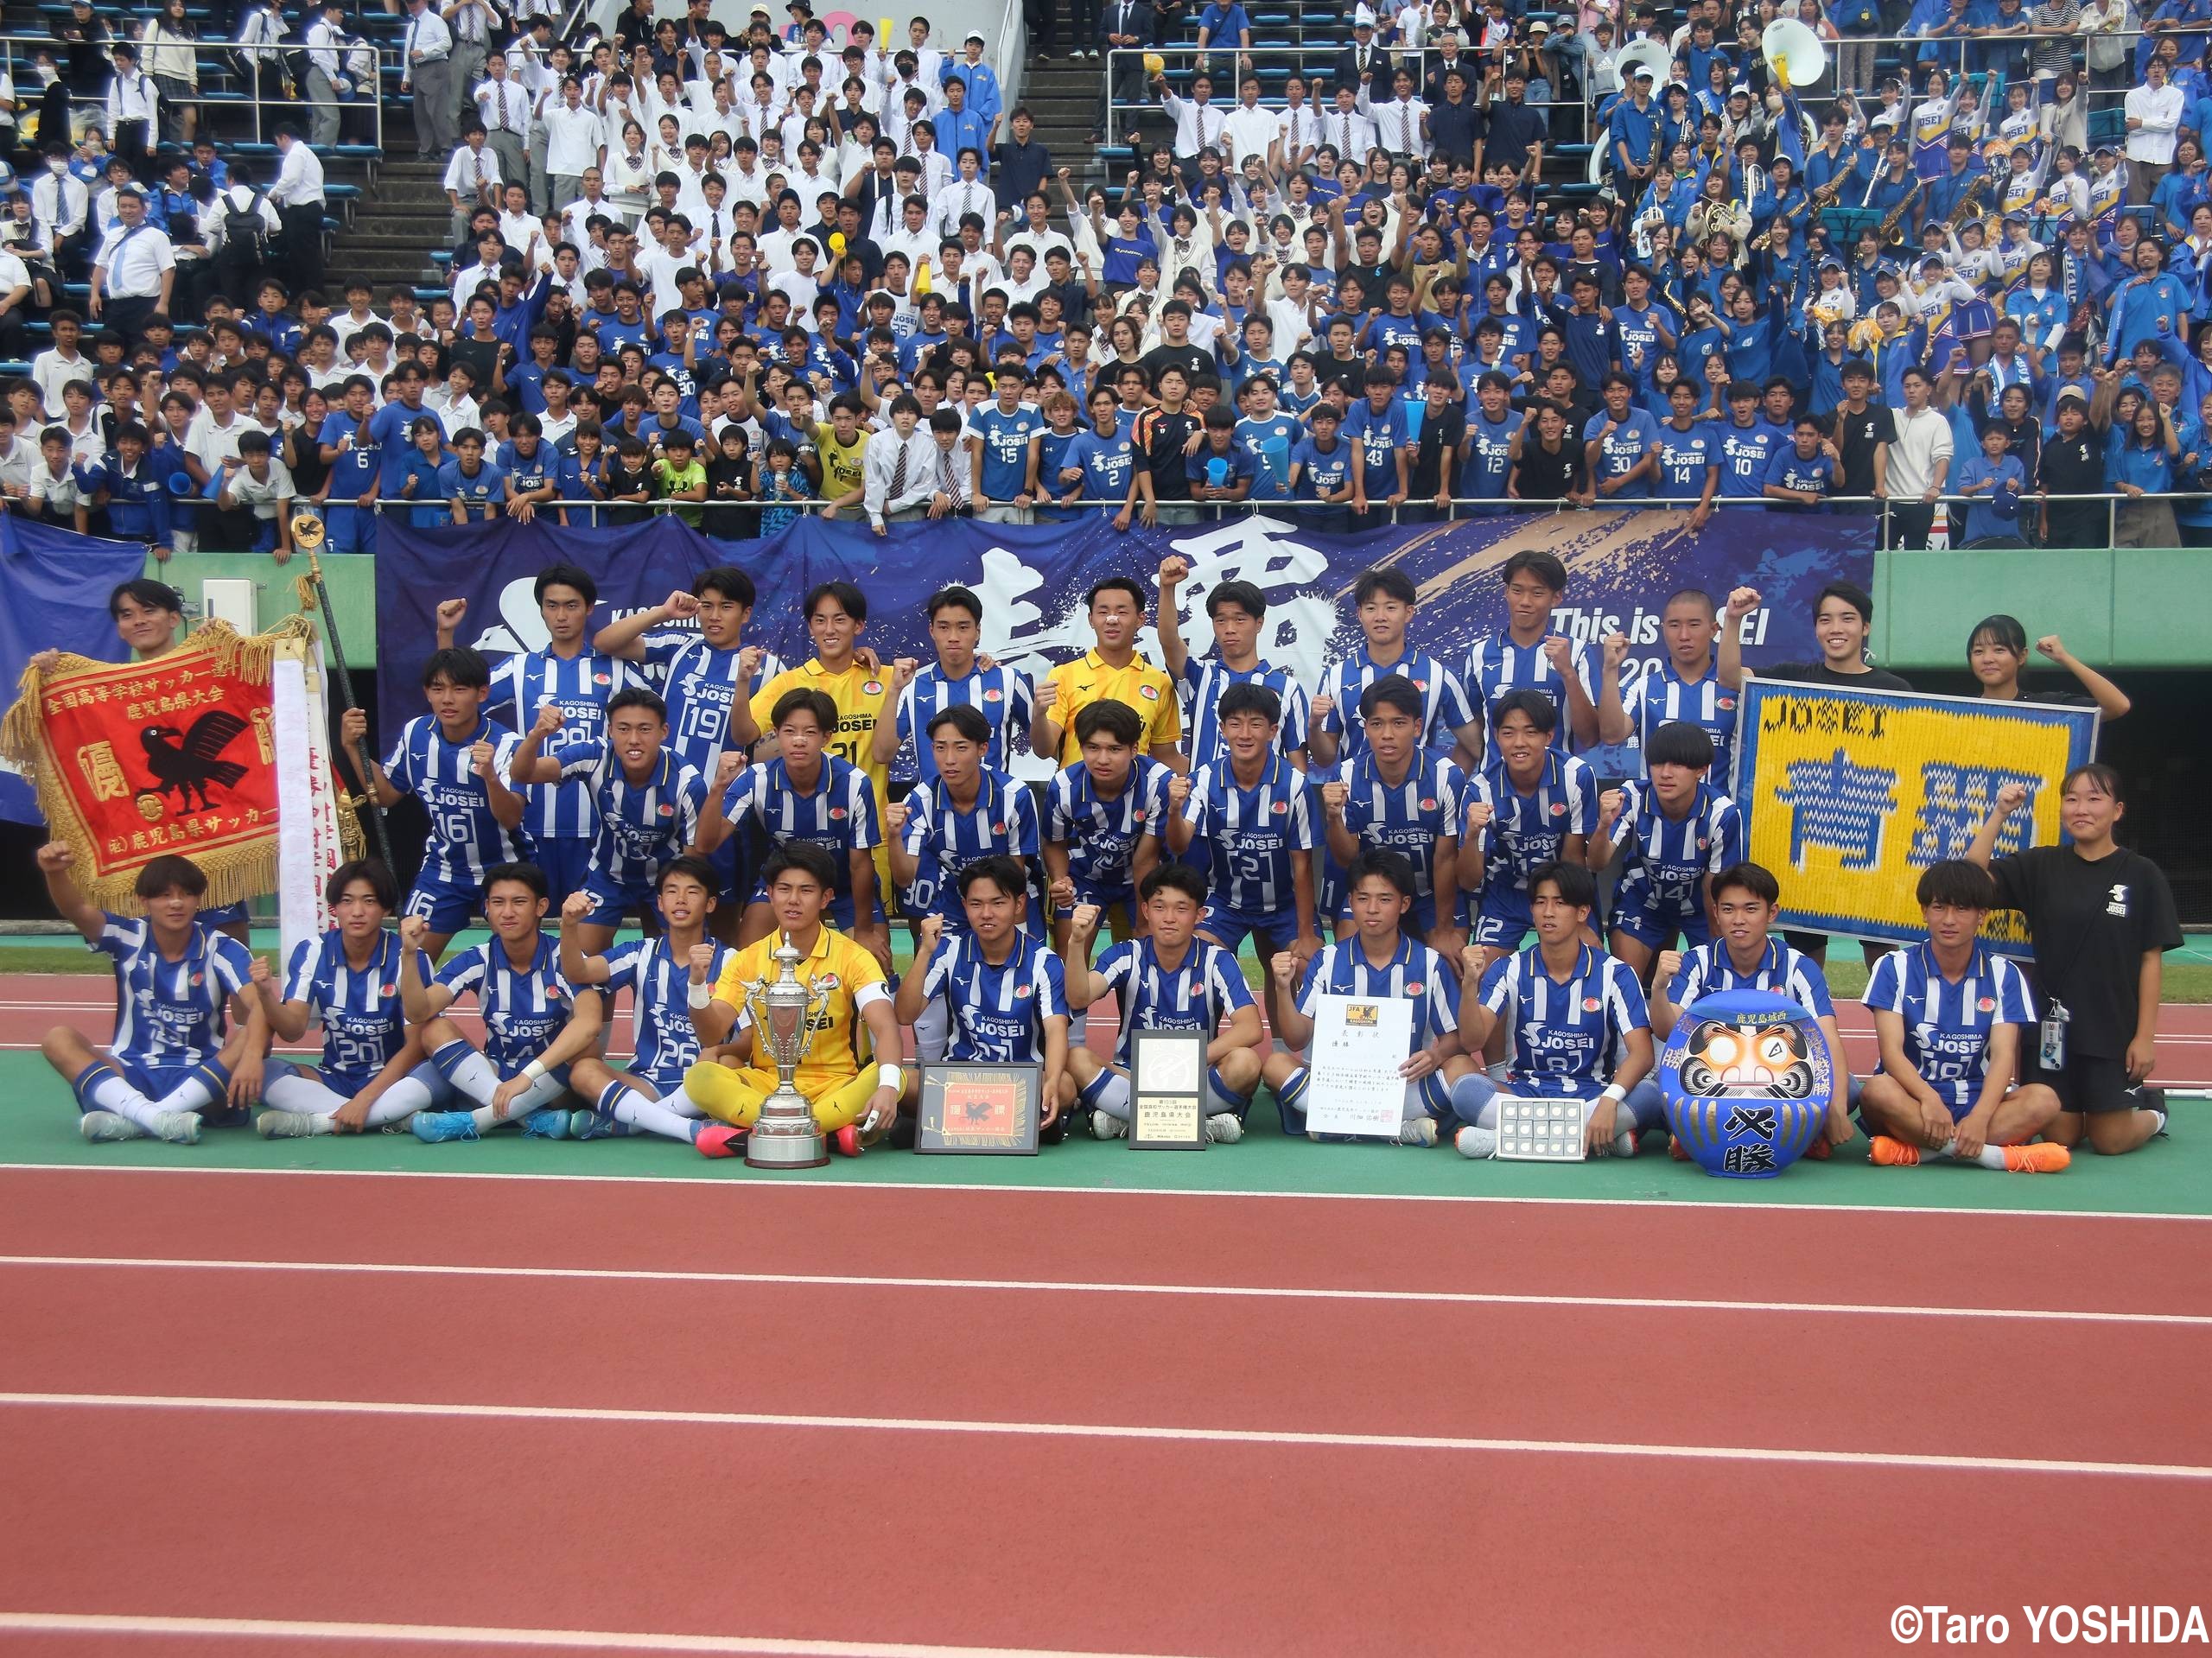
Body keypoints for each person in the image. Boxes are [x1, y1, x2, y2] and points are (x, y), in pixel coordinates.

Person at [1966, 767, 2181, 1154]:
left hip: (2111, 1026)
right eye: (2072, 799)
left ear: (2117, 810)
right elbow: (1971, 877)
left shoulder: (2142, 874)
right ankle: (2092, 1108)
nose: (2081, 808)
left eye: (2094, 799)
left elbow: (2151, 961)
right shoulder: (2041, 865)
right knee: (2059, 1136)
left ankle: (2153, 1110)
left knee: (2109, 1141)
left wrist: (2144, 1038)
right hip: (2051, 1028)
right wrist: (1999, 813)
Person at [683, 842, 904, 1159]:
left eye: (806, 890)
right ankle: (825, 1135)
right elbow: (710, 1033)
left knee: (891, 1075)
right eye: (784, 889)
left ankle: (749, 1137)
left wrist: (887, 1088)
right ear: (770, 894)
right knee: (700, 1078)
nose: (794, 900)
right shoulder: (747, 959)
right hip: (767, 1085)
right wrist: (696, 985)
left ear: (826, 898)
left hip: (835, 1085)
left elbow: (886, 1029)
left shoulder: (854, 956)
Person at [37, 848, 264, 1146]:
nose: (175, 904)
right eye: (163, 896)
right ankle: (158, 1119)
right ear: (143, 901)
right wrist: (54, 872)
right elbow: (76, 910)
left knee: (254, 1032)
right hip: (131, 1073)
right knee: (58, 1038)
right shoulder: (127, 936)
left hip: (201, 1076)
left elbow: (258, 1005)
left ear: (199, 900)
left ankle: (140, 1119)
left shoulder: (222, 948)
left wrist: (251, 1058)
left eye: (185, 894)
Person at [1856, 860, 2070, 1172]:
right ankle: (1998, 1156)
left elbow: (2002, 1057)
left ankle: (1921, 1152)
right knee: (1876, 1091)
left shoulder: (2004, 974)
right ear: (1924, 912)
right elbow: (1891, 1052)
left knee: (2045, 1099)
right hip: (1913, 1099)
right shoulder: (1893, 966)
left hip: (1977, 1100)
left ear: (1981, 915)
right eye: (1939, 908)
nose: (1949, 920)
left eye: (1962, 910)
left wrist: (1981, 1116)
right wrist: (1929, 1099)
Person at [435, 567, 630, 906]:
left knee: (586, 936)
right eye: (552, 606)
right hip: (531, 827)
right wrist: (445, 635)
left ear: (589, 609)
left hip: (597, 829)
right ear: (540, 609)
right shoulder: (521, 667)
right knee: (528, 930)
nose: (561, 615)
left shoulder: (616, 669)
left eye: (571, 605)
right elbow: (460, 697)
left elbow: (652, 727)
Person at [1448, 861, 1667, 1160]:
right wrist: (1469, 985)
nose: (1548, 912)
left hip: (1592, 1095)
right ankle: (1595, 1139)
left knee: (1650, 1095)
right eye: (1540, 902)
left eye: (1560, 903)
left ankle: (1502, 1140)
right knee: (1465, 1090)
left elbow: (1643, 1055)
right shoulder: (1507, 969)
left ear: (1582, 913)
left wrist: (1609, 1101)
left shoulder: (1615, 973)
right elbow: (1472, 1041)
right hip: (1526, 1093)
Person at [1261, 849, 1476, 1145]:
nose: (1372, 908)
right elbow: (1296, 1040)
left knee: (1464, 1068)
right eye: (1363, 898)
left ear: (1404, 904)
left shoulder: (1429, 963)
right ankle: (1401, 1129)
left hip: (1404, 1085)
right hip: (1339, 1086)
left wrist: (1435, 1056)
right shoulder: (1328, 960)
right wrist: (1283, 988)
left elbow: (1454, 1038)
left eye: (1385, 899)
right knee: (1274, 1065)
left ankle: (1339, 1125)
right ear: (1350, 903)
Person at [1649, 861, 1856, 1159]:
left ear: (1771, 913)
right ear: (1716, 913)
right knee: (1660, 1087)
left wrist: (1836, 1108)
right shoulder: (1697, 962)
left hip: (1775, 1076)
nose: (1739, 919)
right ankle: (1802, 1136)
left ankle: (1694, 1134)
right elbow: (1666, 1031)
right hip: (1717, 1076)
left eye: (1750, 908)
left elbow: (1827, 1038)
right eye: (1729, 909)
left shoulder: (1798, 967)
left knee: (1847, 1088)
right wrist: (1658, 989)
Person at [338, 647, 529, 960]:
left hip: (506, 869)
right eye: (438, 689)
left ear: (482, 694)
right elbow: (385, 795)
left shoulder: (507, 744)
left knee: (517, 962)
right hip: (443, 870)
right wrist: (350, 747)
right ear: (427, 692)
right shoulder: (416, 733)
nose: (447, 699)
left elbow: (511, 817)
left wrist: (491, 778)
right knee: (408, 960)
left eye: (459, 689)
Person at [401, 861, 606, 1143]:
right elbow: (418, 1011)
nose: (507, 912)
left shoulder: (564, 957)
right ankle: (529, 1119)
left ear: (541, 907)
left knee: (587, 1045)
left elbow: (590, 1022)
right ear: (487, 908)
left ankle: (477, 1121)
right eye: (498, 902)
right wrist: (409, 954)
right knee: (434, 1029)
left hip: (553, 1083)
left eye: (519, 902)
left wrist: (526, 1077)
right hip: (497, 1079)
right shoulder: (478, 958)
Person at [251, 859, 454, 1138]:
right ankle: (391, 1118)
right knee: (262, 1072)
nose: (357, 912)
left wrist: (367, 1098)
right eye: (347, 901)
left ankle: (317, 1123)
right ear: (335, 908)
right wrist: (265, 995)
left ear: (385, 908)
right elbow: (292, 1030)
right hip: (335, 1078)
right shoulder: (313, 951)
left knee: (441, 1072)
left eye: (369, 901)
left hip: (394, 1079)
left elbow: (416, 1045)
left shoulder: (410, 957)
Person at [1062, 864, 1265, 1142]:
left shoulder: (1217, 959)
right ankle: (1198, 1123)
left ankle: (1125, 1118)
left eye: (1181, 909)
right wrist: (1075, 943)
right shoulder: (1126, 954)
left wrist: (1188, 1062)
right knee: (1074, 1058)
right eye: (1159, 907)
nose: (1169, 918)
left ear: (1199, 915)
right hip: (1132, 1075)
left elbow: (1251, 1028)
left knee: (1247, 1062)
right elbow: (1078, 997)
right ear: (1145, 911)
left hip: (1195, 1075)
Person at [500, 686, 707, 954]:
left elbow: (693, 861)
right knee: (579, 960)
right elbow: (523, 774)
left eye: (644, 729)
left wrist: (677, 900)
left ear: (663, 732)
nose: (633, 739)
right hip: (608, 876)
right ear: (610, 731)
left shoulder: (688, 782)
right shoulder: (594, 755)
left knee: (676, 960)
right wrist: (537, 734)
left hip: (668, 879)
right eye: (623, 729)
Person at [1166, 683, 1321, 1029]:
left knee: (1306, 965)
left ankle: (1287, 1053)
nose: (1245, 733)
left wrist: (1307, 934)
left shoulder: (1295, 784)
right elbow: (1179, 845)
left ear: (1273, 730)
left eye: (1255, 723)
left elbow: (1303, 865)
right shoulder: (1204, 779)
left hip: (1282, 904)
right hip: (1225, 901)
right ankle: (1199, 1052)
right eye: (1235, 723)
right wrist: (1174, 811)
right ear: (1222, 730)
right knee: (1195, 957)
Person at [692, 688, 888, 960]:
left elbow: (860, 863)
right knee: (748, 960)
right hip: (782, 883)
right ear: (776, 733)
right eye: (789, 731)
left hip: (844, 887)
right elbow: (704, 844)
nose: (798, 740)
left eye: (809, 732)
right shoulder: (756, 779)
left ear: (826, 737)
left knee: (877, 963)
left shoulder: (855, 783)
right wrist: (718, 786)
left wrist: (865, 930)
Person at [557, 853, 736, 1147]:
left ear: (711, 903)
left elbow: (747, 1039)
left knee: (729, 1063)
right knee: (583, 1072)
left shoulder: (731, 960)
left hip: (705, 1080)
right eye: (672, 891)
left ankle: (630, 1124)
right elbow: (579, 971)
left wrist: (715, 1053)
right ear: (660, 903)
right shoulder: (639, 953)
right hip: (646, 1081)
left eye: (693, 892)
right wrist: (569, 925)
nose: (681, 900)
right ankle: (682, 1126)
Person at [893, 857, 1074, 1139]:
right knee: (901, 1081)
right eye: (976, 904)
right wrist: (925, 952)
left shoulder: (1044, 960)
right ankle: (1024, 1123)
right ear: (964, 906)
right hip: (958, 1079)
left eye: (998, 903)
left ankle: (931, 1124)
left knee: (1064, 1086)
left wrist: (1050, 1080)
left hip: (1022, 1079)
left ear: (1019, 905)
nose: (986, 913)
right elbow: (904, 1015)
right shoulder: (947, 950)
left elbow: (1056, 1029)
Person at [1318, 675, 1473, 951]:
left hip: (1430, 895)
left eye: (1398, 723)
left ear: (1417, 727)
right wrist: (1332, 817)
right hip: (1373, 896)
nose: (1387, 734)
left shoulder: (1446, 776)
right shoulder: (1346, 775)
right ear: (1366, 728)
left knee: (1452, 960)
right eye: (1377, 724)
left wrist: (1444, 929)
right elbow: (1346, 858)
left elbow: (1445, 858)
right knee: (1346, 958)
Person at [1586, 721, 1744, 982]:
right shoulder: (1633, 796)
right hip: (1643, 901)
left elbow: (1714, 891)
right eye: (1658, 763)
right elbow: (1596, 863)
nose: (1665, 774)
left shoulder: (1723, 814)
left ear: (1701, 770)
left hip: (1700, 909)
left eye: (1678, 765)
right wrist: (1603, 825)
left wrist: (1719, 953)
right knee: (1626, 985)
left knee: (1715, 982)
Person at [1466, 689, 1598, 969]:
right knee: (1481, 973)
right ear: (1497, 737)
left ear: (1548, 736)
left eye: (1530, 732)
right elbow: (1467, 881)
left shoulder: (1577, 776)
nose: (1519, 743)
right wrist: (1471, 835)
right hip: (1506, 893)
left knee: (1590, 966)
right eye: (1508, 733)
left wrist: (1577, 919)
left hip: (1562, 890)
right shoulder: (1480, 789)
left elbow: (1574, 860)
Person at [888, 704, 1044, 935]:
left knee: (1022, 963)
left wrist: (1018, 936)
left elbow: (1016, 876)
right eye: (940, 748)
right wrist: (893, 835)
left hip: (1007, 896)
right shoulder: (920, 800)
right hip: (952, 897)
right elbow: (904, 879)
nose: (949, 759)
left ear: (983, 748)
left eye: (961, 748)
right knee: (933, 963)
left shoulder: (1014, 795)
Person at [1308, 565, 1481, 768]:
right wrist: (1314, 726)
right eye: (1371, 608)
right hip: (1357, 798)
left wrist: (1449, 783)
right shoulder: (1335, 676)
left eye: (1390, 607)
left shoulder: (1438, 675)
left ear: (1408, 612)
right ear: (1359, 614)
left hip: (1420, 798)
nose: (1380, 616)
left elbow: (1475, 745)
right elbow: (1324, 759)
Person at [1155, 555, 1308, 768]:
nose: (1229, 629)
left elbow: (1298, 765)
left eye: (1239, 619)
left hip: (1267, 799)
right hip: (1205, 799)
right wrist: (1167, 587)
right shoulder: (1200, 677)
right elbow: (1169, 641)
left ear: (1259, 623)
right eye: (1221, 620)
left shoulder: (1289, 689)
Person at [1042, 699, 1169, 956]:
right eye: (1093, 748)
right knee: (1070, 958)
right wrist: (1061, 880)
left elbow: (1147, 858)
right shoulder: (1063, 786)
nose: (1102, 759)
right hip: (1085, 877)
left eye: (1114, 749)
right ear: (1081, 747)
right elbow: (1054, 842)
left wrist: (1144, 920)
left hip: (1143, 877)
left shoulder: (1159, 782)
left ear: (1134, 749)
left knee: (1146, 958)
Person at [1033, 575, 1184, 767]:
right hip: (1076, 795)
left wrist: (1210, 776)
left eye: (1122, 612)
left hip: (1136, 795)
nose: (1112, 620)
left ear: (1140, 619)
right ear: (1091, 619)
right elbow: (1043, 750)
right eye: (1103, 612)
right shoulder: (1063, 676)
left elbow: (1167, 756)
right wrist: (1038, 715)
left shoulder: (1159, 682)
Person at [1964, 618, 2132, 721]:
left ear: (2022, 656)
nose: (1987, 659)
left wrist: (2064, 658)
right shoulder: (1959, 713)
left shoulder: (2048, 709)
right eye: (1978, 651)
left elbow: (2118, 706)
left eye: (1999, 650)